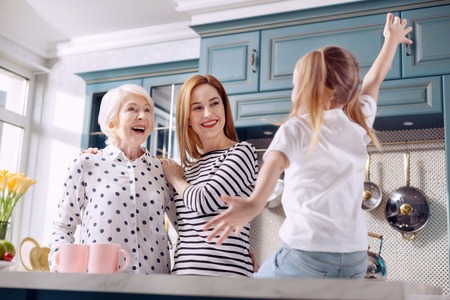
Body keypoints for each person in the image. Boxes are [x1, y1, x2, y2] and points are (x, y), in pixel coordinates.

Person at [204, 13, 413, 279]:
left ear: (310, 90)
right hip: (355, 257)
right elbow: (373, 82)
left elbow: (274, 163)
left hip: (306, 252)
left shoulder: (298, 128)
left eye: (295, 85)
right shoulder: (357, 124)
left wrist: (254, 203)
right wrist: (391, 41)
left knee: (251, 289)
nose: (292, 92)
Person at [48, 84, 177, 274]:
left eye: (147, 110)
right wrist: (58, 265)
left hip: (155, 283)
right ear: (111, 122)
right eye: (132, 109)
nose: (142, 116)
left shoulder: (162, 170)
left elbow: (186, 226)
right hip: (99, 284)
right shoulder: (87, 163)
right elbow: (63, 226)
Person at [160, 74, 259, 277]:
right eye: (197, 108)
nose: (208, 113)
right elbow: (188, 227)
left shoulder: (241, 153)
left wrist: (175, 179)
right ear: (187, 119)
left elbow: (204, 201)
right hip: (183, 279)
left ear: (224, 108)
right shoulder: (190, 169)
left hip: (225, 281)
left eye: (214, 104)